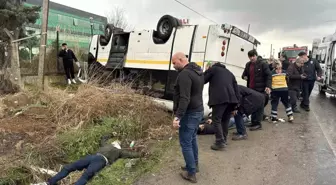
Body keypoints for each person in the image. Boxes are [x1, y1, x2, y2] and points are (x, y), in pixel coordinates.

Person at [47, 137, 143, 185]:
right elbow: (131, 155)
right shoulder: (120, 151)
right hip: (100, 161)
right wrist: (142, 154)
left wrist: (110, 134)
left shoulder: (108, 146)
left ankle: (50, 182)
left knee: (70, 168)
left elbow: (103, 139)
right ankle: (51, 182)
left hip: (93, 157)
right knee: (85, 176)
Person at [171, 52, 204, 183]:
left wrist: (178, 117)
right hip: (198, 110)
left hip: (190, 113)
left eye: (174, 63)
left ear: (181, 60)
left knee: (185, 142)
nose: (173, 66)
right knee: (192, 139)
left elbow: (185, 98)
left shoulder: (185, 74)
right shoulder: (197, 71)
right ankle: (194, 165)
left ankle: (191, 173)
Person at [204, 62, 240, 151]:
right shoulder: (229, 73)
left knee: (216, 120)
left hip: (219, 99)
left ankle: (220, 142)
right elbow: (236, 89)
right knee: (225, 120)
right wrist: (236, 105)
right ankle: (224, 139)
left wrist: (206, 71)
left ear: (210, 66)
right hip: (231, 100)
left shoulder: (213, 69)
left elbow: (202, 79)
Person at [242, 49, 272, 130]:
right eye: (250, 57)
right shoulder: (248, 65)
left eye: (253, 56)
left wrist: (268, 86)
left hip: (260, 89)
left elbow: (269, 75)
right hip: (251, 89)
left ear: (256, 55)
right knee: (252, 106)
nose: (252, 58)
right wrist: (244, 77)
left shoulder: (263, 64)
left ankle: (258, 124)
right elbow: (244, 74)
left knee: (259, 106)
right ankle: (253, 122)